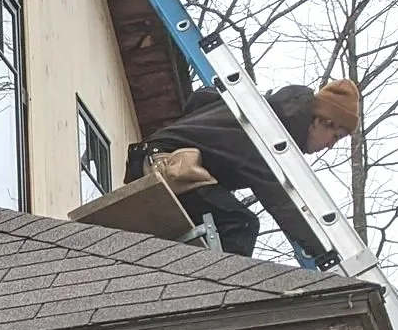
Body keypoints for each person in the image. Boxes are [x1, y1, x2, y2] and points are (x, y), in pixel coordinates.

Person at [142, 78, 359, 259]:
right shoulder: (271, 131)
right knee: (241, 224)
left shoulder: (263, 112)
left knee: (225, 223)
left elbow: (201, 98)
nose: (330, 146)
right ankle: (221, 291)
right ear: (322, 121)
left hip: (160, 156)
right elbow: (281, 202)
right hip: (166, 163)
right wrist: (324, 251)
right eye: (335, 136)